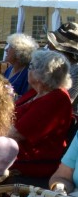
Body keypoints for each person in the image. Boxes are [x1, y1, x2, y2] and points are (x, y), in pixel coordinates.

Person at [9, 50, 73, 187]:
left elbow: (16, 134)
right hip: (16, 154)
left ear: (42, 74)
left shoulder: (55, 99)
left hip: (32, 163)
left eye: (30, 66)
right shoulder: (37, 92)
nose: (27, 69)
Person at [47, 22, 78, 112]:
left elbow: (64, 102)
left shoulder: (75, 70)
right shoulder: (60, 67)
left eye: (52, 42)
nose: (48, 45)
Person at [3, 33, 38, 98]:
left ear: (20, 52)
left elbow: (27, 99)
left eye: (10, 47)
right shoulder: (9, 69)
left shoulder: (28, 74)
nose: (6, 49)